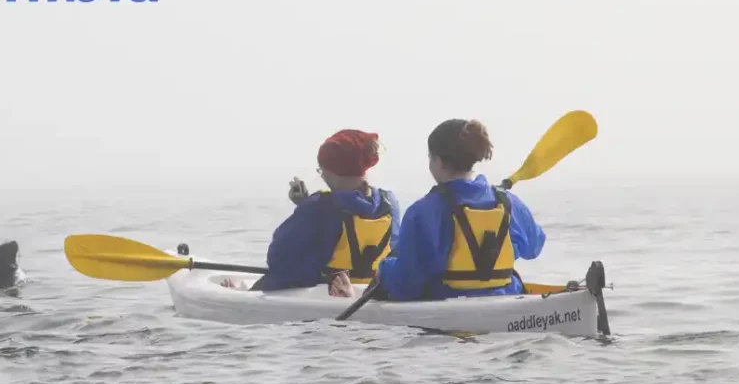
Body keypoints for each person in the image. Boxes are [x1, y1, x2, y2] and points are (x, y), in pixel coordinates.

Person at [375, 118, 545, 301]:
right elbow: (534, 247)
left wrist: (384, 270)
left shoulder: (423, 211)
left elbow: (406, 285)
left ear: (437, 161)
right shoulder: (508, 202)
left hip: (447, 307)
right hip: (508, 297)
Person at [228, 129, 401, 297]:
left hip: (327, 293)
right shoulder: (389, 202)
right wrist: (305, 205)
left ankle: (242, 294)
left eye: (321, 169)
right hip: (367, 292)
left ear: (333, 172)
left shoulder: (318, 207)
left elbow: (278, 258)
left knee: (284, 272)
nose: (322, 175)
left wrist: (304, 209)